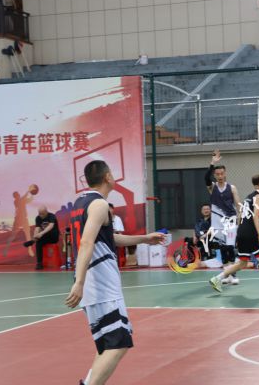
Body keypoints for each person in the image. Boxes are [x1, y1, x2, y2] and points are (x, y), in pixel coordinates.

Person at [64, 160, 165, 385]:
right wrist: (79, 282)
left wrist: (144, 238)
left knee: (108, 344)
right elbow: (87, 242)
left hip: (95, 281)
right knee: (118, 343)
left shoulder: (81, 202)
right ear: (107, 177)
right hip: (99, 281)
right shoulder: (99, 204)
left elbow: (108, 238)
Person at [209, 175, 259, 294]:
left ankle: (217, 278)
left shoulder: (248, 198)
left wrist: (239, 234)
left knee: (242, 263)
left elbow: (241, 216)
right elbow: (255, 217)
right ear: (256, 186)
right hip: (251, 234)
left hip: (242, 233)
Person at [205, 150, 241, 284]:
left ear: (225, 174)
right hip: (217, 223)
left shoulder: (232, 188)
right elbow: (206, 178)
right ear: (215, 175)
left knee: (230, 247)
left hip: (230, 221)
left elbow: (238, 204)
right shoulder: (212, 188)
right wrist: (212, 163)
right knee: (223, 249)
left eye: (222, 173)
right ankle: (227, 275)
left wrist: (240, 219)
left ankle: (233, 275)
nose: (220, 176)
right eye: (217, 174)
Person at [4, 188, 33, 257]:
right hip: (18, 219)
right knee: (13, 235)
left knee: (28, 234)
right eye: (17, 195)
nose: (18, 195)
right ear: (15, 197)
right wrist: (28, 191)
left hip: (24, 219)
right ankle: (6, 249)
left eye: (18, 194)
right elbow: (23, 198)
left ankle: (30, 250)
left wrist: (32, 195)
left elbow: (29, 200)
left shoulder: (22, 200)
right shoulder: (16, 201)